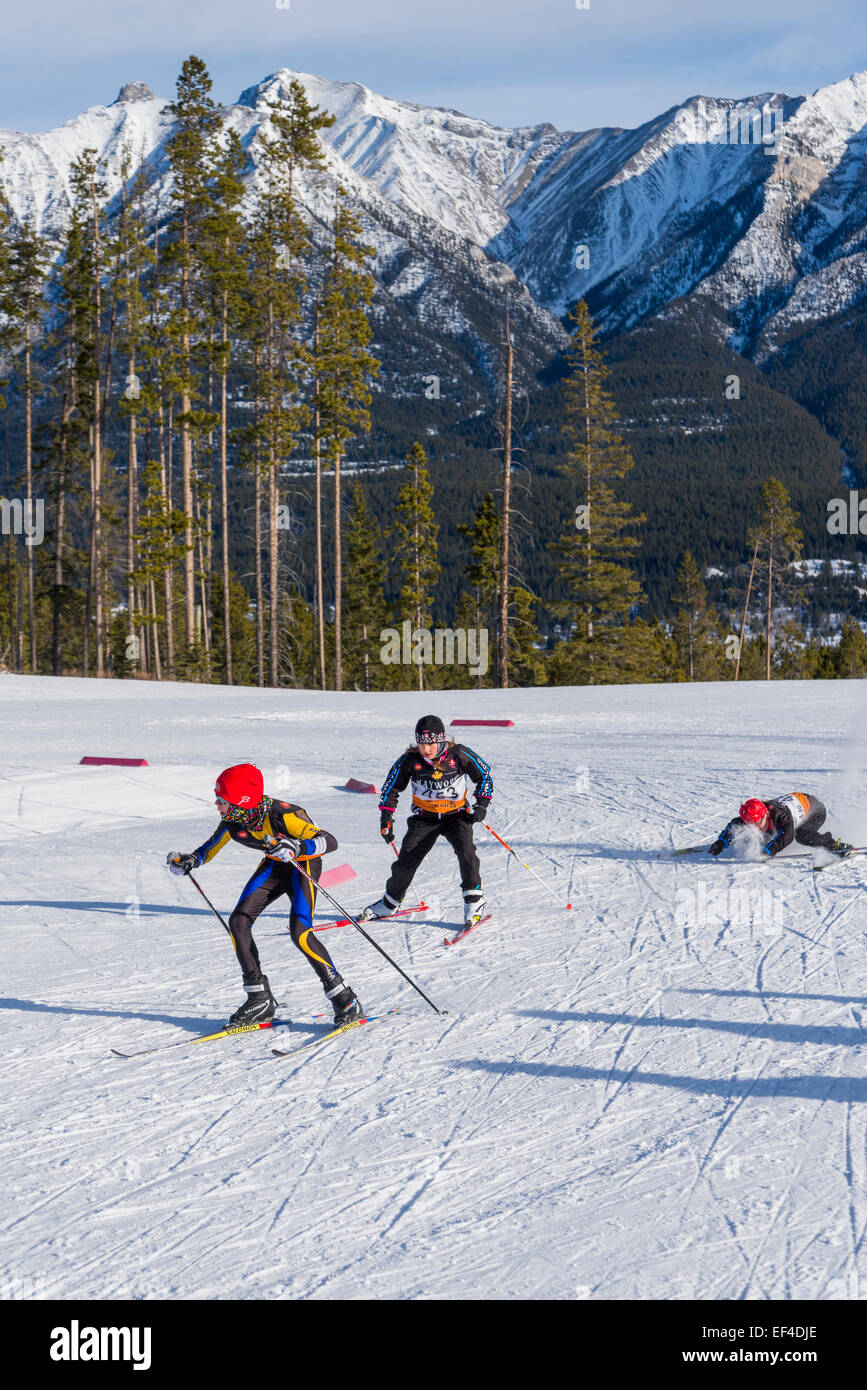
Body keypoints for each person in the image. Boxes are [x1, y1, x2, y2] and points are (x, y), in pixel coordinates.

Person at [166, 763, 362, 1027]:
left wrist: (295, 845)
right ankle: (259, 998)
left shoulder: (283, 814)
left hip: (302, 864)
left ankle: (344, 998)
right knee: (239, 922)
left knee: (300, 932)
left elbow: (329, 841)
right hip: (274, 865)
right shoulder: (233, 819)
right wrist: (190, 860)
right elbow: (209, 849)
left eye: (222, 800)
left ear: (241, 801)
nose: (217, 804)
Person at [359, 715, 494, 926]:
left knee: (467, 853)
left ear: (440, 740)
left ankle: (474, 900)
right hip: (424, 818)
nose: (425, 749)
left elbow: (484, 776)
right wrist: (386, 817)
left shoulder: (458, 754)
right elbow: (391, 788)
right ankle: (390, 903)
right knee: (405, 861)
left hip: (456, 815)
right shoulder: (410, 760)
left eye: (430, 743)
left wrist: (481, 805)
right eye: (421, 743)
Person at [708, 793, 852, 859]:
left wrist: (768, 851)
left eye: (757, 824)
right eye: (750, 824)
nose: (755, 827)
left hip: (816, 812)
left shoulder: (781, 815)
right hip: (800, 802)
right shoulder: (755, 814)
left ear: (765, 815)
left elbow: (787, 836)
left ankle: (835, 846)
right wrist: (722, 841)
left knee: (801, 835)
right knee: (759, 836)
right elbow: (735, 824)